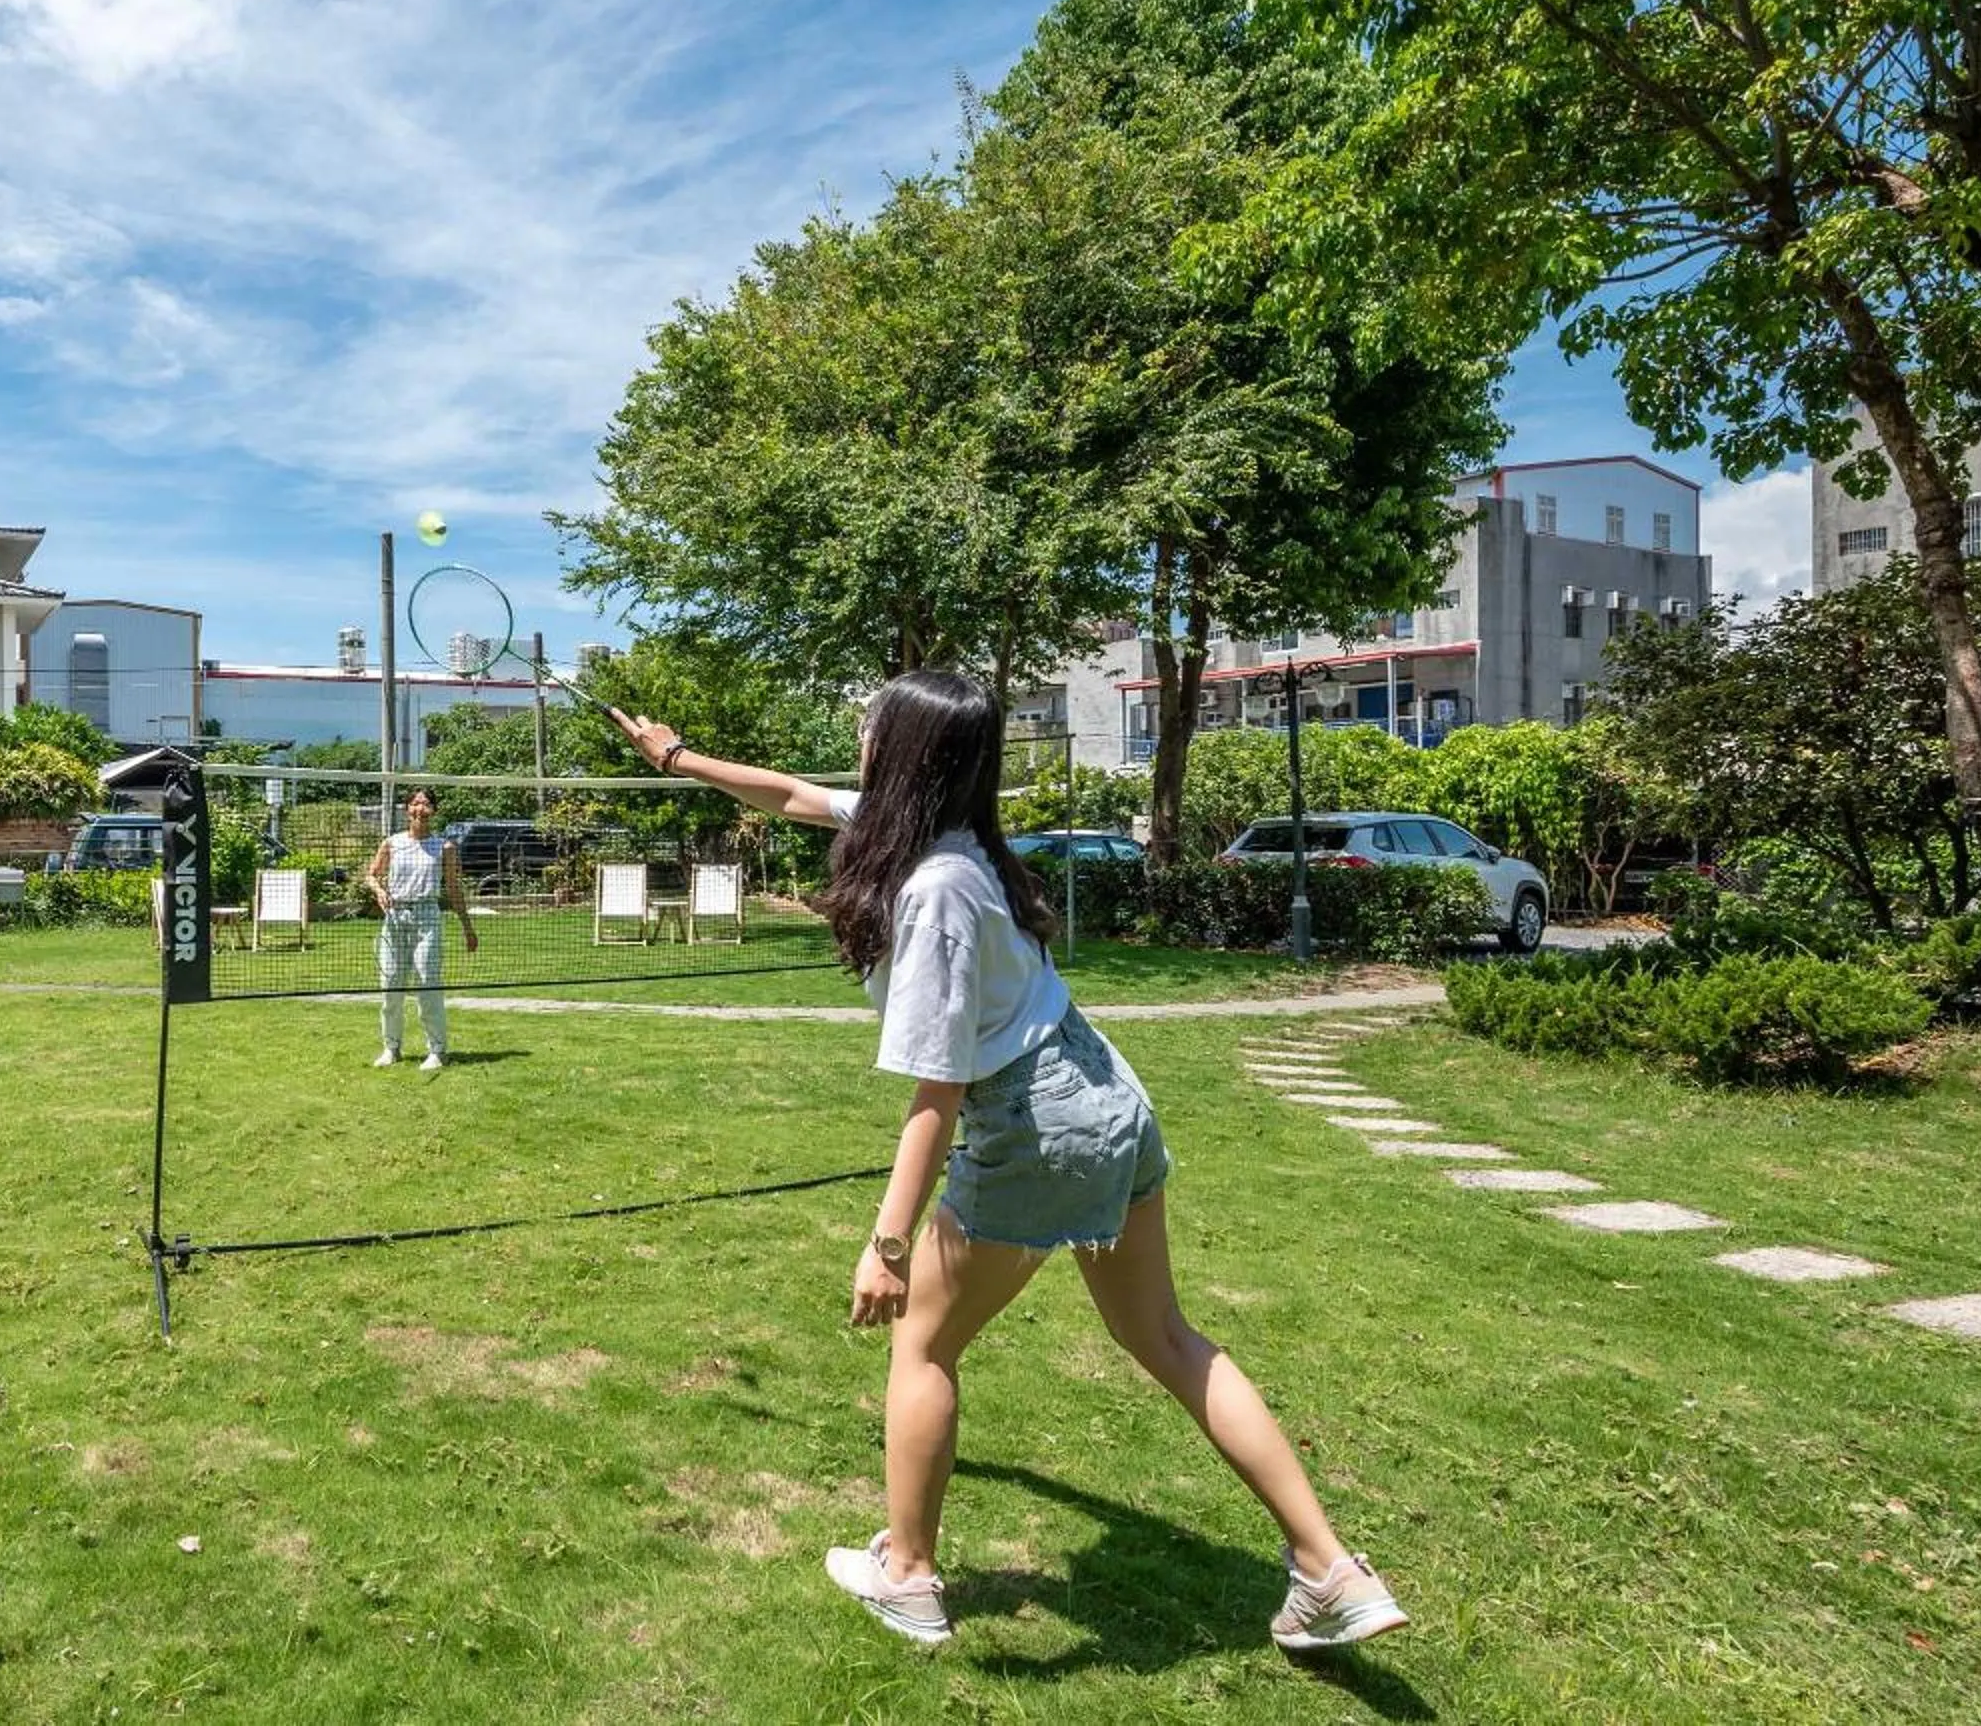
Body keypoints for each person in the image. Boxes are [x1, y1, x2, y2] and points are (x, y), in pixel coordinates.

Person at [612, 674, 1405, 1653]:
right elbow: (789, 795)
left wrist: (888, 1245)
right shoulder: (937, 834)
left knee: (923, 1345)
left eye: (869, 726)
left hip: (1036, 1123)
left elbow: (938, 1093)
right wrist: (676, 757)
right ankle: (1331, 1570)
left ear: (905, 751)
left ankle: (907, 1576)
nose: (858, 738)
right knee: (1163, 1334)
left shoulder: (936, 890)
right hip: (1107, 1094)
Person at [364, 790, 479, 1072]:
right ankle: (391, 1048)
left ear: (433, 811)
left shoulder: (445, 847)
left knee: (428, 983)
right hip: (395, 917)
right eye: (415, 803)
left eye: (426, 804)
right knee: (391, 985)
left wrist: (467, 928)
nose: (420, 808)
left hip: (427, 916)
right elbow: (371, 875)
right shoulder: (392, 843)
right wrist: (379, 891)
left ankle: (437, 1050)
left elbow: (453, 889)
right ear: (407, 810)